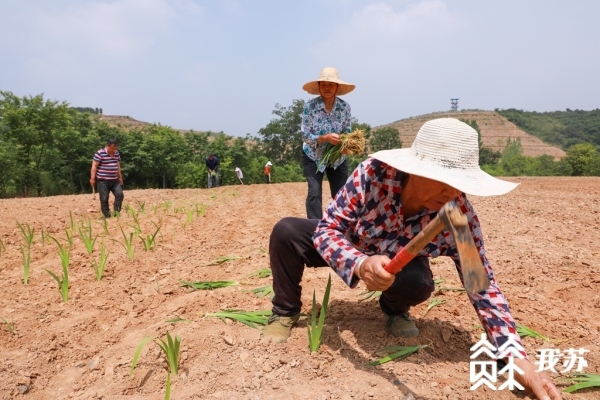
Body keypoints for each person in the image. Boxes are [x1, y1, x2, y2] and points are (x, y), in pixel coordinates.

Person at [263, 118, 562, 400]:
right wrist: (360, 263)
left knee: (418, 282)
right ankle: (285, 311)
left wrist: (514, 356)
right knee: (286, 231)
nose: (451, 192)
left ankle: (394, 309)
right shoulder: (373, 174)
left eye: (459, 183)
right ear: (416, 168)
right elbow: (329, 229)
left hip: (399, 266)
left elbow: (481, 285)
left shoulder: (458, 216)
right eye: (442, 180)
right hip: (352, 244)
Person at [301, 67, 354, 219]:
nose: (327, 88)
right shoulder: (310, 107)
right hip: (313, 156)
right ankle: (314, 229)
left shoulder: (344, 107)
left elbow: (347, 132)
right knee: (314, 193)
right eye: (323, 84)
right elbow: (305, 135)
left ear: (337, 87)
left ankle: (339, 227)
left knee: (341, 195)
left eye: (331, 84)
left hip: (336, 158)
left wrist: (346, 147)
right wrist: (325, 138)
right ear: (318, 87)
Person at [90, 138, 124, 218]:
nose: (113, 150)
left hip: (114, 179)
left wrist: (120, 177)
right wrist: (92, 178)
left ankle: (116, 214)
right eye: (112, 148)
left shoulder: (116, 153)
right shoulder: (100, 153)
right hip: (102, 180)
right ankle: (107, 216)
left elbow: (117, 165)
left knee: (120, 195)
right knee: (104, 198)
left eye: (115, 148)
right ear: (107, 146)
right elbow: (94, 166)